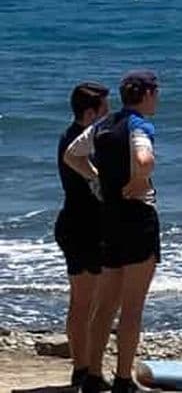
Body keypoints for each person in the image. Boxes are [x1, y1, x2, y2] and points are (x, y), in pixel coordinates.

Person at [65, 69, 161, 393]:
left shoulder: (102, 125)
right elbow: (144, 159)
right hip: (138, 219)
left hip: (109, 219)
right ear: (147, 94)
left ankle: (93, 375)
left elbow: (72, 155)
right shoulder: (139, 124)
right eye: (155, 92)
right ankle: (122, 379)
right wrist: (138, 180)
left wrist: (97, 179)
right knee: (132, 307)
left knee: (105, 304)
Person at [55, 81, 111, 389]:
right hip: (83, 228)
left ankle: (83, 366)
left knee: (83, 301)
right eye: (105, 108)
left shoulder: (73, 137)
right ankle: (85, 368)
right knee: (86, 302)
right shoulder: (79, 143)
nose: (109, 113)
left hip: (77, 225)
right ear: (91, 113)